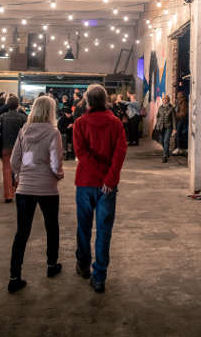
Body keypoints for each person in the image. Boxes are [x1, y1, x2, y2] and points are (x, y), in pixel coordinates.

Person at [73, 84, 128, 293]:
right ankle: (99, 277)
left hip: (85, 184)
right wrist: (109, 179)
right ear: (105, 100)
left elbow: (81, 153)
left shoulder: (80, 123)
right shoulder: (115, 124)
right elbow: (120, 152)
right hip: (107, 187)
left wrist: (98, 176)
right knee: (104, 231)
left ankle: (83, 266)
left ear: (87, 101)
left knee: (84, 228)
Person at [7, 96, 65, 293]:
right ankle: (51, 265)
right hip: (47, 188)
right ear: (51, 111)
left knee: (22, 232)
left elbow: (15, 160)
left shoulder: (24, 131)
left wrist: (21, 174)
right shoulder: (53, 133)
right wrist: (59, 175)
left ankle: (14, 276)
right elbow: (55, 162)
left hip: (25, 188)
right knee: (51, 227)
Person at [0, 95, 27, 203]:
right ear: (18, 105)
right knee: (19, 170)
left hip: (5, 146)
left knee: (7, 170)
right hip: (20, 148)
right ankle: (18, 191)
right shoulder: (23, 118)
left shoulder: (2, 117)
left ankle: (8, 195)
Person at [154, 95, 176, 163]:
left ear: (168, 100)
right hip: (161, 127)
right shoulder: (160, 107)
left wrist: (174, 128)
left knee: (166, 141)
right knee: (162, 141)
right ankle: (166, 151)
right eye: (163, 99)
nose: (164, 100)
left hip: (168, 127)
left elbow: (174, 119)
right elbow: (158, 116)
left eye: (166, 99)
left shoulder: (171, 108)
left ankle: (164, 156)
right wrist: (157, 124)